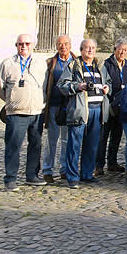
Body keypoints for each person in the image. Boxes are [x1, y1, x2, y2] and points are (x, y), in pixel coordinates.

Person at [0, 34, 47, 191]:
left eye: (27, 43)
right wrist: (12, 101)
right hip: (16, 113)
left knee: (35, 145)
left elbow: (45, 86)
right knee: (13, 146)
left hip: (37, 112)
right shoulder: (8, 64)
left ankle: (32, 175)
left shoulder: (41, 64)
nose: (24, 46)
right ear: (16, 45)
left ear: (33, 45)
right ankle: (10, 178)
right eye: (20, 44)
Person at [59, 39, 110, 189]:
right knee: (74, 145)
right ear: (81, 50)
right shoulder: (74, 65)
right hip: (80, 110)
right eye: (87, 48)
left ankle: (87, 174)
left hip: (97, 110)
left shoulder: (100, 66)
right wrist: (78, 86)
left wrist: (107, 88)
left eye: (93, 48)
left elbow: (109, 83)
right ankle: (72, 177)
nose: (90, 50)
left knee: (92, 145)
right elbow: (62, 85)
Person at [96, 36, 127, 175]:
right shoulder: (107, 64)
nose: (122, 52)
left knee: (117, 135)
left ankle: (112, 162)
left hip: (121, 107)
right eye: (120, 49)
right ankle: (99, 164)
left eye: (125, 50)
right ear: (114, 49)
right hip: (108, 105)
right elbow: (104, 83)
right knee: (103, 136)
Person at [42, 35, 75, 184]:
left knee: (66, 140)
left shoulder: (77, 62)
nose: (63, 47)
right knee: (51, 140)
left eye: (66, 44)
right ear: (56, 46)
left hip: (70, 106)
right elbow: (45, 85)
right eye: (60, 44)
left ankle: (64, 169)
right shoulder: (50, 63)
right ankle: (47, 170)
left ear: (70, 45)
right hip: (55, 106)